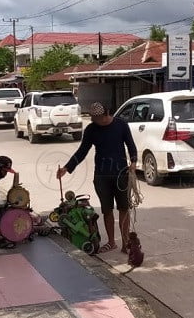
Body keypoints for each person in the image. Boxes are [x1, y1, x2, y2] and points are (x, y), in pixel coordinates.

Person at [57, 102, 137, 254]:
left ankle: (126, 242)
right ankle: (112, 242)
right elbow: (82, 151)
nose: (94, 121)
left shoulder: (121, 125)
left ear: (106, 115)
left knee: (124, 209)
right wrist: (67, 168)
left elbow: (131, 145)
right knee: (107, 210)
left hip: (121, 174)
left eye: (96, 118)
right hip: (101, 176)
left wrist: (133, 161)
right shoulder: (92, 129)